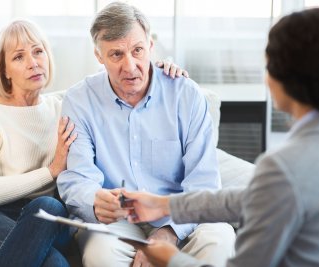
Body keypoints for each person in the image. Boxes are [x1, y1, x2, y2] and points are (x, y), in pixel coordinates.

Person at [121, 7, 319, 267]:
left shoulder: (284, 166)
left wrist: (171, 260)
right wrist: (166, 204)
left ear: (283, 77)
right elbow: (256, 198)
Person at [57, 2, 236, 267]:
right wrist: (94, 201)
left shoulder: (185, 94)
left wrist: (170, 232)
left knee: (221, 239)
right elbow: (77, 178)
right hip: (118, 221)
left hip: (180, 214)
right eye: (116, 54)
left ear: (150, 46)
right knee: (100, 255)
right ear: (99, 56)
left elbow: (204, 181)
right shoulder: (79, 101)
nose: (130, 66)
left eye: (137, 50)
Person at [0, 19, 77, 267]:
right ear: (4, 70)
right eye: (19, 57)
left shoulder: (62, 108)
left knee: (48, 206)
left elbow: (111, 89)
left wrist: (160, 72)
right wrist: (51, 171)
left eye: (38, 51)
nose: (33, 63)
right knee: (55, 264)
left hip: (46, 219)